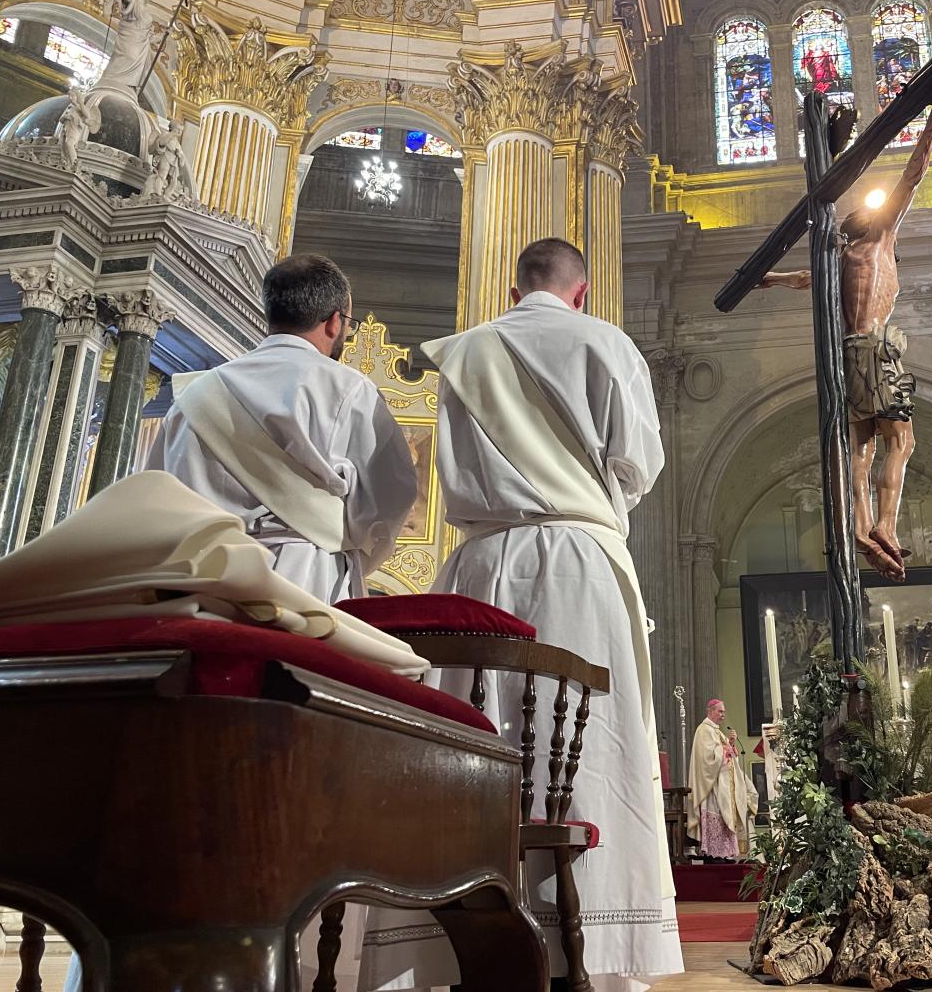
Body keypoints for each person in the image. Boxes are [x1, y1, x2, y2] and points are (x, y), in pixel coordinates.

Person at [360, 238, 681, 991]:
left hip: (481, 565)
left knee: (477, 753)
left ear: (516, 287)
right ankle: (594, 955)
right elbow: (640, 465)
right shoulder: (608, 343)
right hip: (581, 561)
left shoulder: (467, 353)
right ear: (582, 291)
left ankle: (457, 950)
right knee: (587, 751)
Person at [758, 84, 932, 581]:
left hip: (844, 359)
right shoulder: (878, 242)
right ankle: (885, 526)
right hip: (873, 348)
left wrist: (760, 278)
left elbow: (792, 278)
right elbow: (914, 175)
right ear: (872, 223)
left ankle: (863, 526)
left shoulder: (838, 259)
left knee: (860, 454)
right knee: (901, 443)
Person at [146, 253, 416, 604]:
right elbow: (391, 497)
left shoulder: (193, 396)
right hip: (301, 577)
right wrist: (349, 547)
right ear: (335, 321)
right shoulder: (348, 389)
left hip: (201, 583)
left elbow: (158, 497)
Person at [687, 700, 758, 860]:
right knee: (717, 818)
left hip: (723, 786)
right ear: (710, 711)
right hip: (712, 787)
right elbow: (706, 759)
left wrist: (730, 744)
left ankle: (726, 853)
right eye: (720, 712)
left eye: (724, 712)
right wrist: (725, 748)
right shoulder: (703, 730)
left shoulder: (717, 732)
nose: (723, 715)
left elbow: (728, 756)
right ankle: (714, 853)